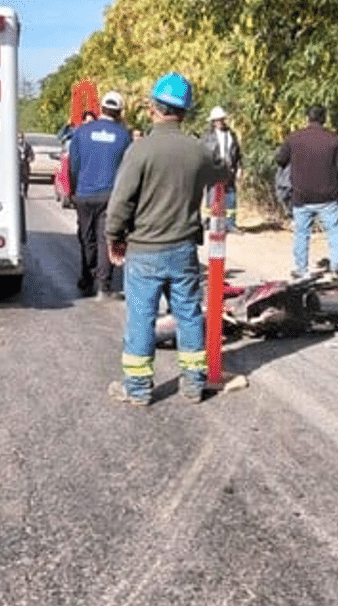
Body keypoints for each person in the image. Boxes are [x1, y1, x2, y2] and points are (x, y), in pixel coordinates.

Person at [104, 73, 228, 405]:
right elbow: (222, 173)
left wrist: (114, 237)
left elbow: (121, 202)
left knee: (142, 316)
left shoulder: (140, 150)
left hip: (144, 250)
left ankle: (139, 389)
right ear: (185, 112)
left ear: (152, 108)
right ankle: (193, 385)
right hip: (184, 249)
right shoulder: (199, 151)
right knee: (188, 314)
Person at [69, 91, 131, 299]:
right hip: (110, 196)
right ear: (119, 112)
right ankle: (103, 286)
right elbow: (127, 168)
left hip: (84, 194)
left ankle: (87, 277)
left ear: (101, 110)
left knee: (87, 239)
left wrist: (74, 190)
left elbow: (73, 164)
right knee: (106, 238)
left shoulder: (81, 132)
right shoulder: (124, 136)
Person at [275, 105, 338, 279]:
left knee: (302, 233)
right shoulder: (334, 140)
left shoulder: (294, 139)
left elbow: (279, 159)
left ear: (307, 118)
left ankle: (301, 269)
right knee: (334, 231)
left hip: (301, 195)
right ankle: (336, 267)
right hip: (328, 195)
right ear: (324, 119)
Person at [201, 106, 242, 231]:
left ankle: (230, 224)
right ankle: (209, 222)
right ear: (213, 121)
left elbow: (237, 153)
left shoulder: (231, 135)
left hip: (229, 170)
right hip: (214, 170)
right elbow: (203, 153)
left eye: (221, 119)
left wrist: (239, 167)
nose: (219, 122)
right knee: (213, 196)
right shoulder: (207, 136)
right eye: (216, 120)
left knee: (230, 197)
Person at [17, 132, 34, 197]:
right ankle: (19, 191)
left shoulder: (27, 146)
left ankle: (25, 192)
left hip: (25, 164)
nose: (20, 139)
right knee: (17, 179)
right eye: (18, 138)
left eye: (21, 137)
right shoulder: (13, 146)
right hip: (17, 164)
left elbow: (31, 154)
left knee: (26, 179)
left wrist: (30, 158)